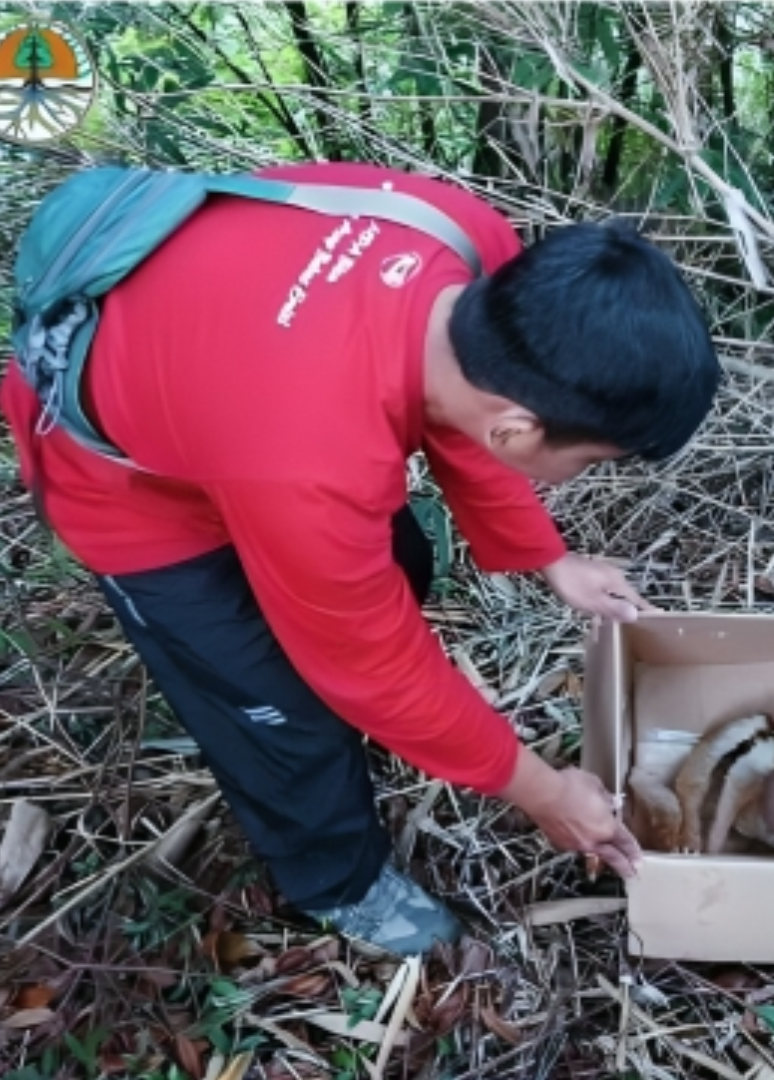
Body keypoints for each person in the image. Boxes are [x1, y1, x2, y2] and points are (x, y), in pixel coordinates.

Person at [0, 161, 721, 954]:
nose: (584, 475)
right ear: (521, 428)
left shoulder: (457, 233)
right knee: (279, 710)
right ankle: (340, 882)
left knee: (396, 568)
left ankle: (366, 739)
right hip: (126, 487)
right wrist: (543, 791)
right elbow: (371, 663)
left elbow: (467, 402)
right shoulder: (307, 459)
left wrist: (551, 558)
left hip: (224, 393)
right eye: (591, 462)